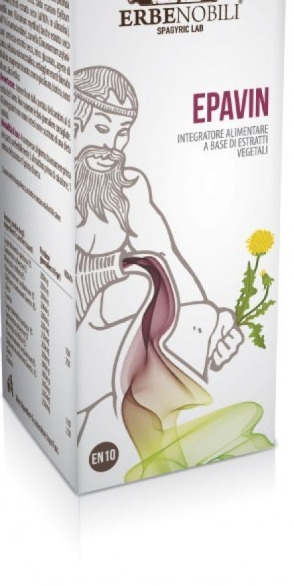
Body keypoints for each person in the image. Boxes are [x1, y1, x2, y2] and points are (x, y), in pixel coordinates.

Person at [73, 65, 244, 442]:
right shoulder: (53, 184)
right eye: (101, 128)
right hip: (68, 328)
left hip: (112, 330)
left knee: (172, 302)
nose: (112, 147)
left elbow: (166, 255)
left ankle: (168, 437)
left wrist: (211, 321)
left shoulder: (128, 189)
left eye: (122, 133)